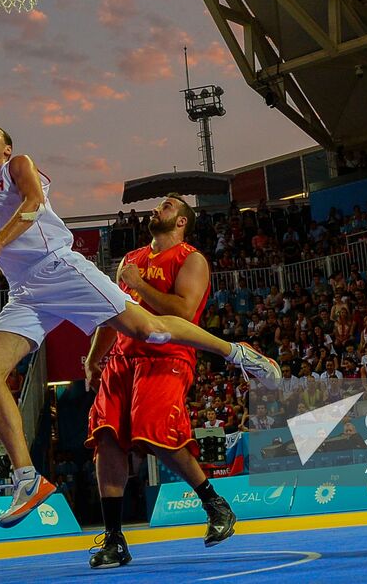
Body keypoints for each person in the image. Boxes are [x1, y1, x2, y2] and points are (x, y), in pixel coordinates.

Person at [0, 56, 279, 528]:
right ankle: (27, 479)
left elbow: (34, 204)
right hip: (26, 290)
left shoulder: (18, 164)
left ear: (8, 144)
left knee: (151, 328)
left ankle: (239, 354)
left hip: (58, 266)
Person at [84, 195, 237, 568]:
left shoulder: (191, 259)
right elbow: (112, 314)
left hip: (167, 355)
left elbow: (184, 311)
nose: (157, 209)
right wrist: (93, 358)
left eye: (168, 206)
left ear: (182, 221)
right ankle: (115, 539)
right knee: (105, 437)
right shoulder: (131, 260)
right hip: (122, 357)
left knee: (155, 429)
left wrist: (139, 284)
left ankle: (215, 504)